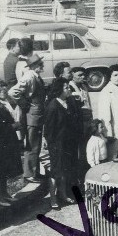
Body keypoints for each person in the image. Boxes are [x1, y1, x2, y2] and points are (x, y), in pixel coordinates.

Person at [9, 53, 47, 184]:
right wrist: (24, 103)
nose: (42, 66)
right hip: (33, 115)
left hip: (37, 114)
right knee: (32, 145)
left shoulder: (35, 76)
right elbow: (13, 92)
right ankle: (29, 174)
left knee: (36, 145)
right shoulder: (30, 76)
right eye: (40, 64)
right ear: (35, 66)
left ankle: (34, 172)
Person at [43, 80, 82, 209]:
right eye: (66, 88)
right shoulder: (53, 106)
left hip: (68, 144)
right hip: (57, 145)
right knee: (56, 171)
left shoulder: (68, 103)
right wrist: (52, 147)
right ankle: (53, 199)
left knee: (65, 169)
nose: (69, 89)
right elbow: (49, 130)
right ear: (59, 90)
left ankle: (64, 195)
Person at [0, 80, 23, 205]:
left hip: (8, 140)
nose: (4, 92)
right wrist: (13, 126)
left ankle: (5, 193)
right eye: (1, 90)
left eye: (5, 89)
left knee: (5, 168)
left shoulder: (7, 102)